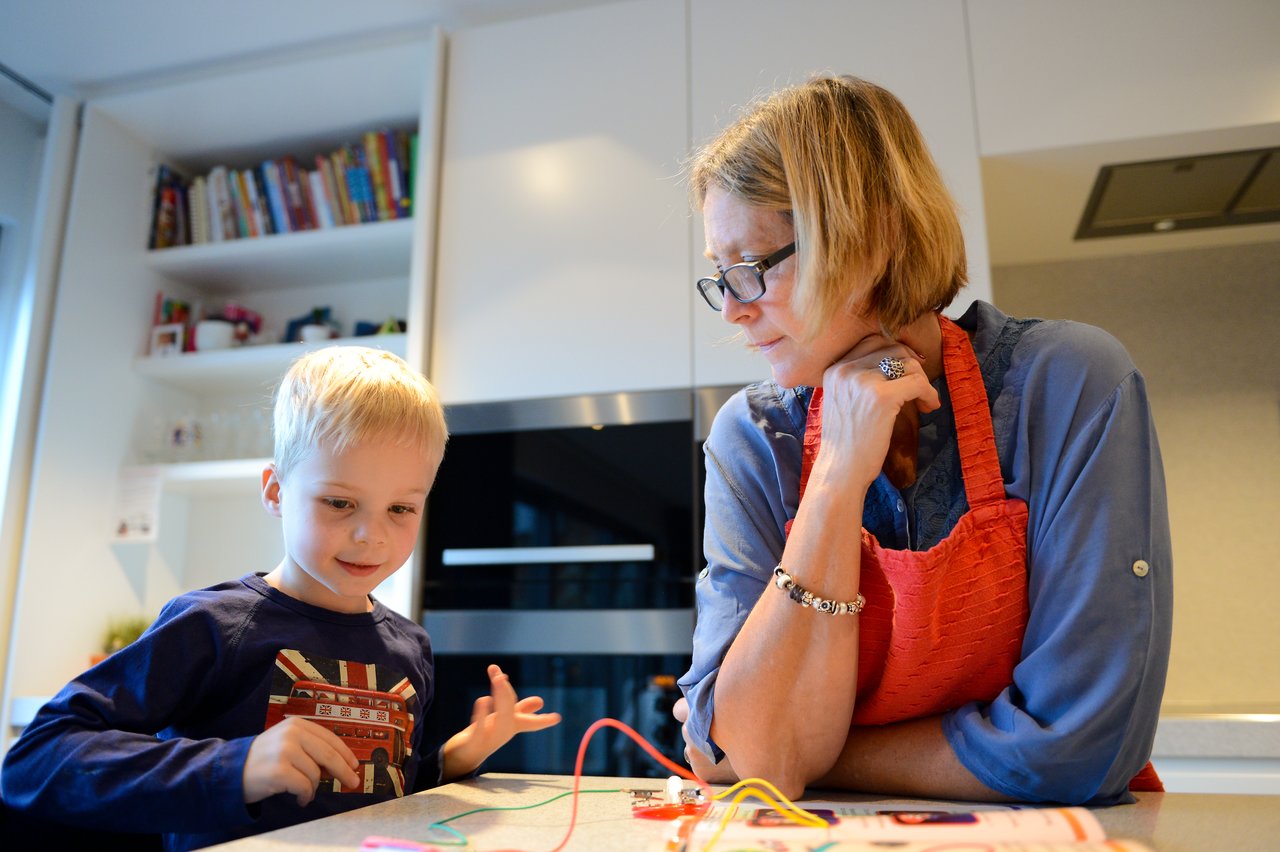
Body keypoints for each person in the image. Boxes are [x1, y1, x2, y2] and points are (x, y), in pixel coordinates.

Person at [675, 75, 1172, 806]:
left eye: (750, 270)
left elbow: (1078, 746)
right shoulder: (753, 438)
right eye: (722, 279)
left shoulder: (1068, 386)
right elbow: (739, 752)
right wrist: (837, 477)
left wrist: (818, 753)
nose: (734, 312)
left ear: (869, 240)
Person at [1, 346, 561, 850]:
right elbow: (34, 762)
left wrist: (455, 760)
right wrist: (235, 766)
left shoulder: (409, 648)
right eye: (340, 503)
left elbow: (386, 800)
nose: (372, 535)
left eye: (401, 508)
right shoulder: (215, 625)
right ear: (275, 491)